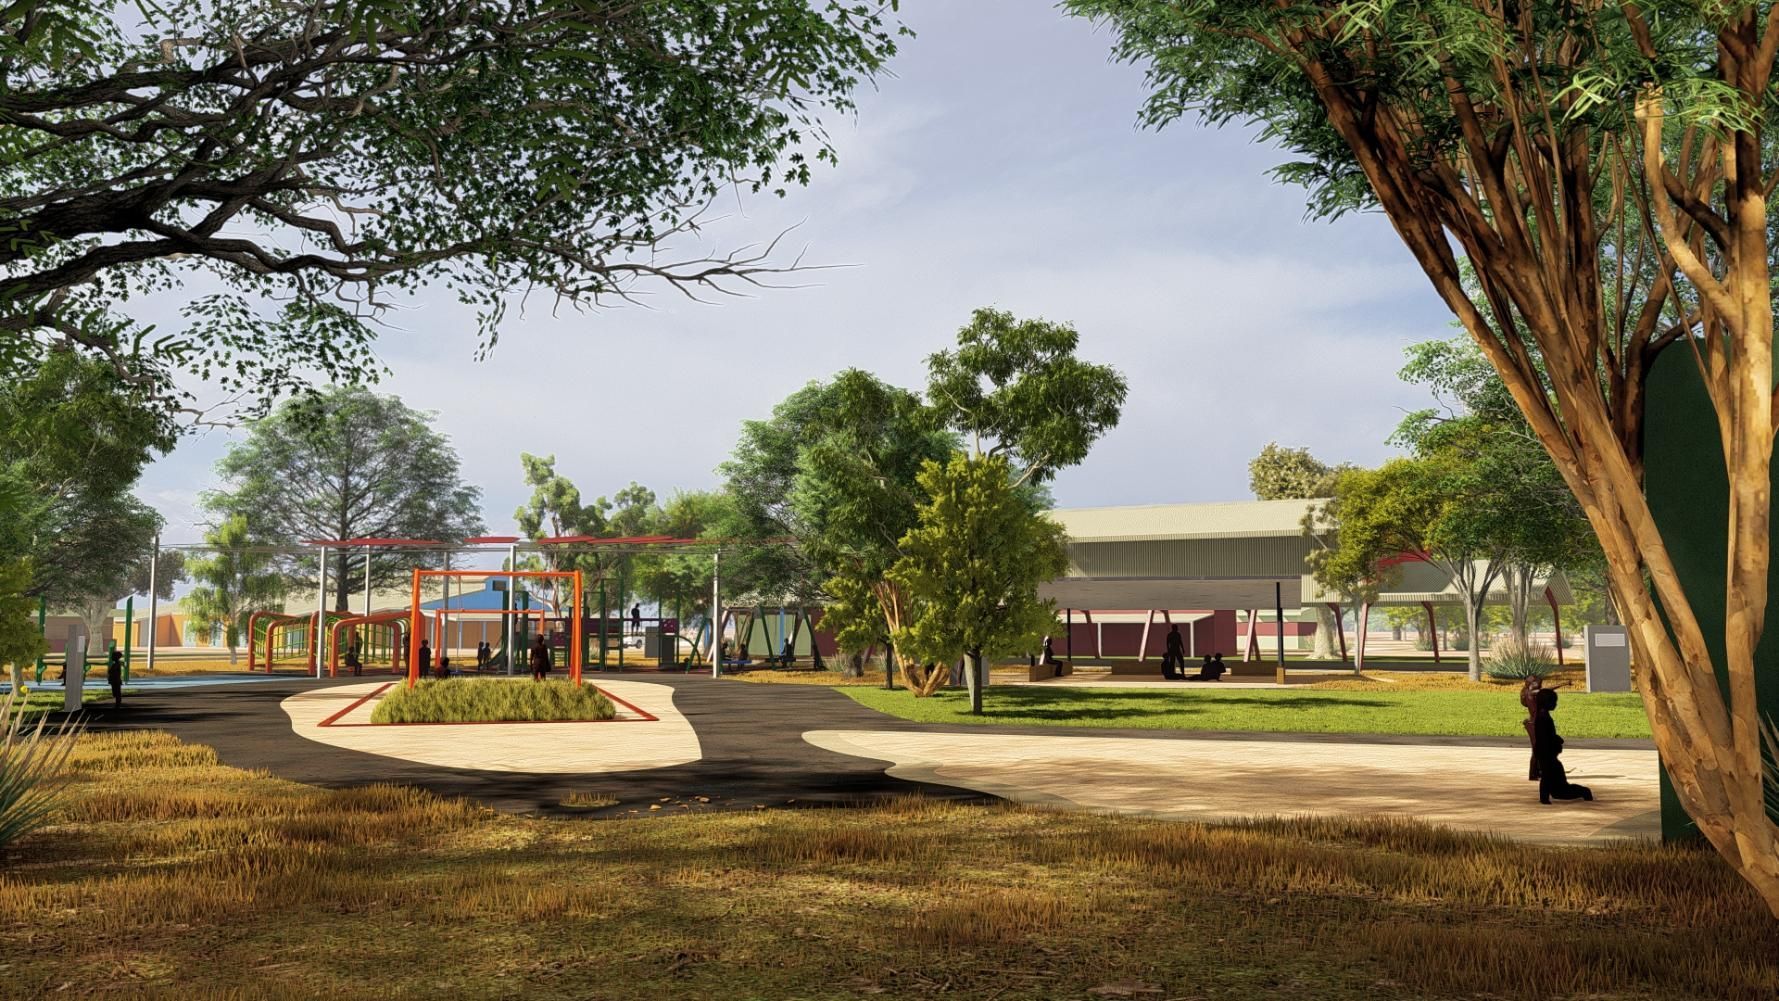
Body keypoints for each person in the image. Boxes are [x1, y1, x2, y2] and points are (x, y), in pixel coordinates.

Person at [1532, 688, 1594, 804]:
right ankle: (1585, 792)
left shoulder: (1542, 716)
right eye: (1553, 702)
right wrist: (1555, 741)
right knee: (1557, 788)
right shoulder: (1543, 718)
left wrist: (1556, 739)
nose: (1556, 704)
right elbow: (1545, 738)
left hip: (1546, 754)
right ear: (1547, 703)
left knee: (1553, 783)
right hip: (1547, 753)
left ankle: (1584, 792)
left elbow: (1546, 736)